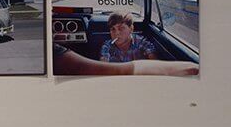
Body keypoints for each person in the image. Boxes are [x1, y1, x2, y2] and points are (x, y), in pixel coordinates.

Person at [53, 43, 199, 76]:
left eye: (120, 28)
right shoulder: (107, 46)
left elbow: (154, 58)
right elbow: (105, 67)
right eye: (112, 29)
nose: (115, 32)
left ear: (131, 28)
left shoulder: (143, 42)